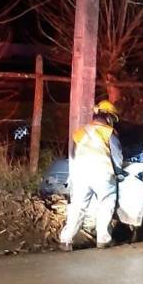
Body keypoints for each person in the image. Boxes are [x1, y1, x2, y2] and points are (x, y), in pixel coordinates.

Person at [59, 100, 123, 251]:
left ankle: (66, 240)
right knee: (105, 204)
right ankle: (103, 239)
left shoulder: (80, 133)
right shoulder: (109, 132)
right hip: (103, 173)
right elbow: (117, 157)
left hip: (81, 174)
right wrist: (119, 173)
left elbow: (73, 155)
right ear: (109, 117)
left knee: (77, 207)